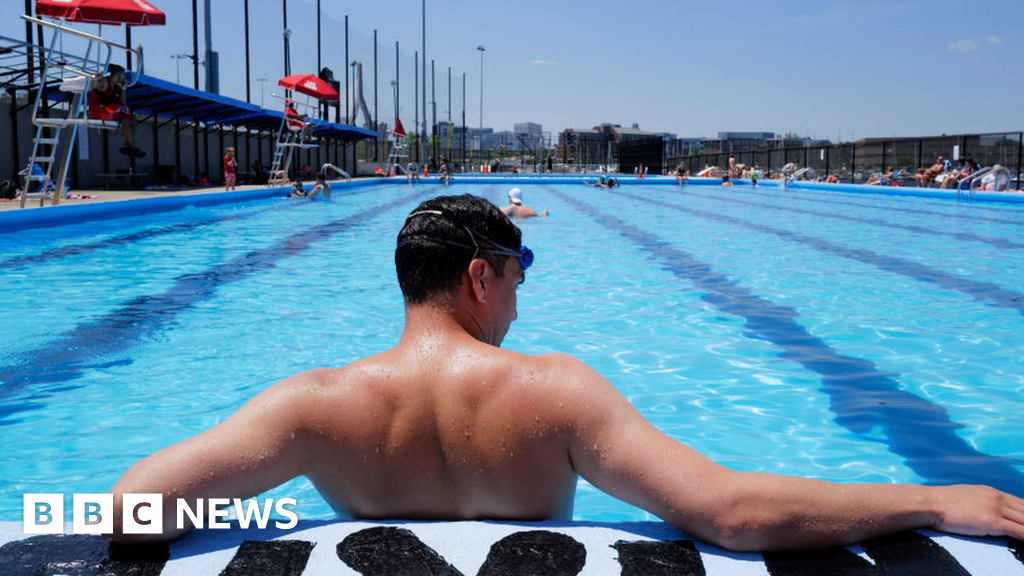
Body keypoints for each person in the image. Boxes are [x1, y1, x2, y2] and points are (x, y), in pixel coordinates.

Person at [107, 194, 1024, 550]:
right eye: (521, 271)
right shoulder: (553, 394)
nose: (521, 296)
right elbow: (732, 513)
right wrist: (930, 502)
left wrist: (259, 506)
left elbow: (128, 507)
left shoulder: (312, 407)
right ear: (480, 275)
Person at [88, 64, 145, 158]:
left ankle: (127, 144)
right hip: (99, 111)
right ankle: (132, 146)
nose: (124, 77)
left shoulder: (116, 87)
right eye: (123, 75)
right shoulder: (105, 83)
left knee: (134, 122)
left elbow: (122, 103)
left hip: (110, 110)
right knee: (125, 118)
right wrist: (97, 77)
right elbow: (94, 85)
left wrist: (123, 89)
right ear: (117, 74)